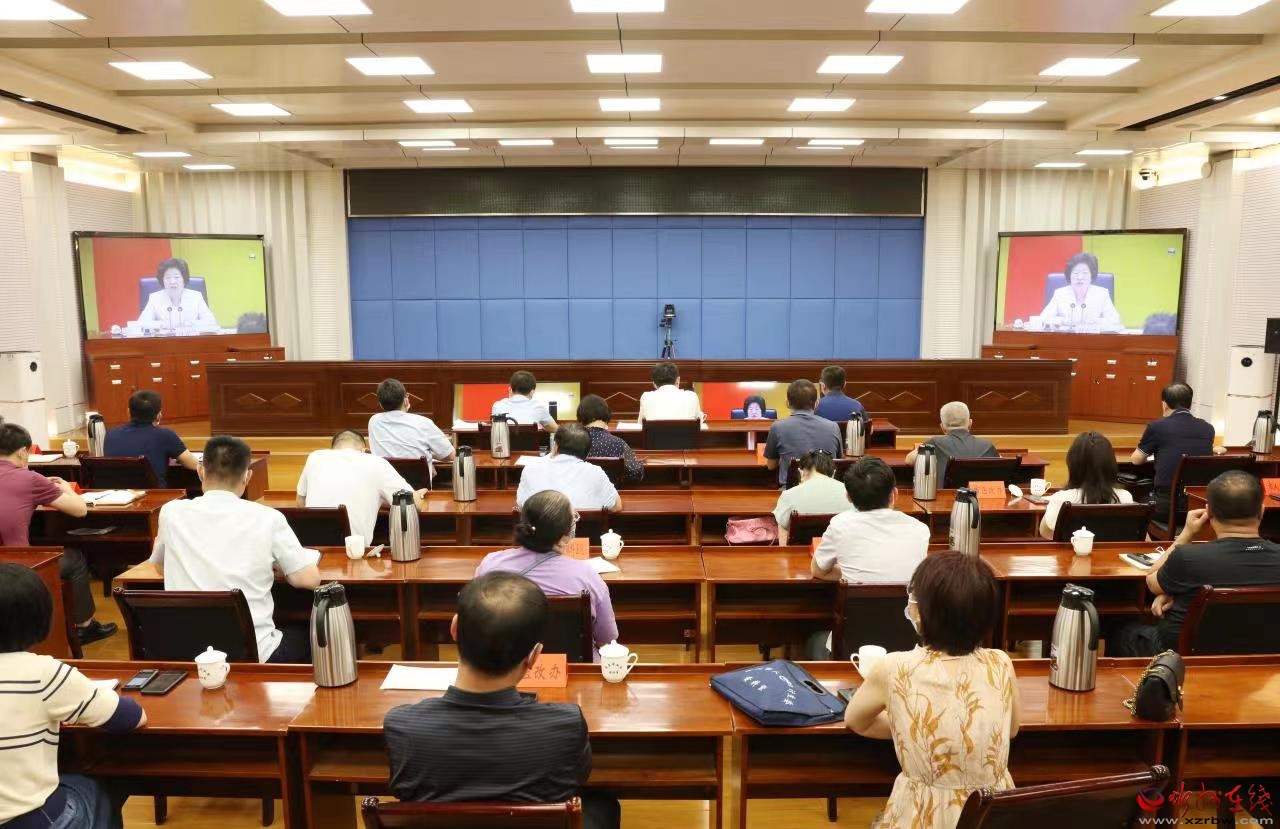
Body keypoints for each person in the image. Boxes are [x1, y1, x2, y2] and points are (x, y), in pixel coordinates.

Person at [384, 571, 620, 829]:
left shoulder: (402, 726)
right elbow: (579, 776)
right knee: (602, 803)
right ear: (535, 656)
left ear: (454, 629)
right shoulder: (566, 727)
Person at [844, 552, 1020, 829]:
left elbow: (856, 721)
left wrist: (916, 729)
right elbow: (1010, 730)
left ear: (924, 613)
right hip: (992, 814)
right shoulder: (1001, 663)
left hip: (924, 813)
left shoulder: (894, 668)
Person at [149, 435, 321, 663]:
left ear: (200, 470)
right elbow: (309, 580)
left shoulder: (171, 512)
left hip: (187, 652)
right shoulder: (268, 518)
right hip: (253, 654)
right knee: (311, 631)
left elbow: (160, 567)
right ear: (247, 476)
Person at [0, 563, 147, 829]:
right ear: (41, 616)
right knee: (106, 780)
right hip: (31, 821)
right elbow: (131, 717)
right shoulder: (43, 673)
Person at [1109, 470, 1280, 657]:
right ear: (1262, 511)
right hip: (1267, 658)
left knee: (1122, 631)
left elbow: (1151, 581)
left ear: (1209, 512)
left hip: (1182, 657)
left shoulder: (1187, 558)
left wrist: (1187, 534)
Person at [0, 423, 116, 646]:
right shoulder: (29, 478)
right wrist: (66, 489)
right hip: (17, 567)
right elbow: (79, 510)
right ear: (23, 452)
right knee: (74, 558)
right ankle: (84, 626)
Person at [475, 490, 618, 660]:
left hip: (504, 665)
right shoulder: (587, 576)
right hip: (573, 669)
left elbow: (477, 623)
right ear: (563, 538)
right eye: (574, 520)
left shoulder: (490, 565)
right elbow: (606, 639)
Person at [811, 457, 929, 584]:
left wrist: (848, 574)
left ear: (849, 497)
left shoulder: (839, 525)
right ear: (894, 494)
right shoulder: (920, 530)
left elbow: (818, 571)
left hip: (855, 597)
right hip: (907, 598)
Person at [296, 430, 427, 542]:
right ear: (364, 451)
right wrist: (418, 495)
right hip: (354, 551)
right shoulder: (376, 462)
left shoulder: (315, 457)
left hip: (310, 546)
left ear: (333, 450)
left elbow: (300, 502)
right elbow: (413, 505)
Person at [1131, 383, 1217, 524]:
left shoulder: (1157, 426)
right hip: (1199, 509)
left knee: (1135, 500)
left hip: (1166, 509)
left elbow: (1136, 460)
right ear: (1190, 404)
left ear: (1164, 404)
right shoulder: (1208, 428)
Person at [1039, 431, 1134, 539]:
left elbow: (1045, 532)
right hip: (1114, 550)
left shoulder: (1061, 499)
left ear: (1073, 464)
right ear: (1111, 464)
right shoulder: (1125, 497)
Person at [515, 424, 621, 512]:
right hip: (584, 531)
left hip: (541, 531)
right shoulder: (596, 472)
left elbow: (521, 506)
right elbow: (616, 506)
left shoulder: (530, 469)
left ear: (555, 447)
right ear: (587, 452)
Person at [103, 389, 197, 487]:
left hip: (116, 494)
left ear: (128, 412)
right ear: (159, 415)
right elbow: (194, 465)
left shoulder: (110, 434)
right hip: (154, 495)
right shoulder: (165, 435)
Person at [367, 378, 454, 476]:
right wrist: (428, 457)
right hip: (418, 484)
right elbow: (450, 455)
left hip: (385, 482)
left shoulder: (374, 421)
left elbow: (396, 449)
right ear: (405, 399)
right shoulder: (424, 423)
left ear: (380, 404)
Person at [764, 380, 842, 487]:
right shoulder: (833, 427)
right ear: (816, 404)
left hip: (791, 490)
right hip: (827, 489)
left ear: (787, 403)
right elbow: (839, 461)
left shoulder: (777, 427)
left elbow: (771, 465)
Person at [905, 401, 999, 486]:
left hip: (945, 498)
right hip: (981, 499)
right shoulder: (987, 446)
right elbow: (1000, 462)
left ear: (942, 427)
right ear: (970, 423)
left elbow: (909, 460)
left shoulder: (934, 443)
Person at [773, 450, 852, 545]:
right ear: (833, 474)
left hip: (800, 553)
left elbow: (783, 542)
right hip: (842, 551)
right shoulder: (852, 494)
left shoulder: (788, 495)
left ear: (801, 473)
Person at [1037, 252, 1121, 330]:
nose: (1080, 277)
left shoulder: (1102, 294)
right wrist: (1062, 321)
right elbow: (1043, 319)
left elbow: (1115, 321)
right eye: (1076, 273)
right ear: (1069, 276)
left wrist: (1096, 321)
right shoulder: (1059, 294)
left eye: (1085, 273)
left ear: (1091, 276)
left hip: (1093, 339)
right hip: (1066, 338)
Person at [138, 257, 220, 334]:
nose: (172, 281)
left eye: (176, 277)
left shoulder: (196, 296)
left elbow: (211, 322)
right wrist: (163, 325)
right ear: (162, 280)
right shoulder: (155, 298)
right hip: (165, 342)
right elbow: (141, 324)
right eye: (168, 278)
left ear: (184, 279)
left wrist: (190, 323)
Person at [577, 395, 643, 483]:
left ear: (581, 415)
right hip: (611, 490)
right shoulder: (619, 443)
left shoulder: (571, 442)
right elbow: (635, 473)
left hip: (577, 490)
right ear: (606, 413)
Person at [637, 362, 704, 424]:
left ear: (654, 384)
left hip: (655, 434)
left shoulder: (646, 397)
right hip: (684, 433)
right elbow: (699, 424)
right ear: (678, 380)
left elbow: (640, 425)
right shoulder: (692, 396)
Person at [492, 371, 558, 431]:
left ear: (511, 389)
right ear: (532, 391)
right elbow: (555, 429)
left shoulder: (498, 405)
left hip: (505, 440)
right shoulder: (538, 407)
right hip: (530, 440)